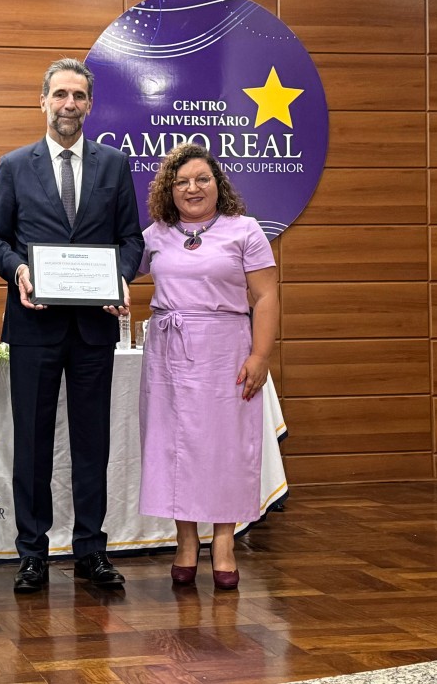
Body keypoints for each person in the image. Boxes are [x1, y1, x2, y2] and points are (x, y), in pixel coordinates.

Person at [0, 58, 145, 592]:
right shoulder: (14, 164)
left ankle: (90, 550)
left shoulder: (115, 165)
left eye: (78, 95)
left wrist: (121, 278)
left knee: (92, 443)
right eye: (60, 94)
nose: (69, 104)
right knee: (30, 443)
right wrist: (21, 271)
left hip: (95, 330)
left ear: (90, 104)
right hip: (33, 328)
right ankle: (31, 552)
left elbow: (131, 240)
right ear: (43, 100)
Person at [137, 142, 279, 591]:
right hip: (167, 350)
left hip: (226, 349)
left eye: (202, 179)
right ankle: (184, 542)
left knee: (224, 447)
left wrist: (259, 355)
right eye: (181, 182)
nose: (192, 188)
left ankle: (223, 542)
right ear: (168, 189)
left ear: (218, 184)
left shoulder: (245, 230)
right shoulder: (156, 233)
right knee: (174, 447)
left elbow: (267, 296)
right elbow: (119, 272)